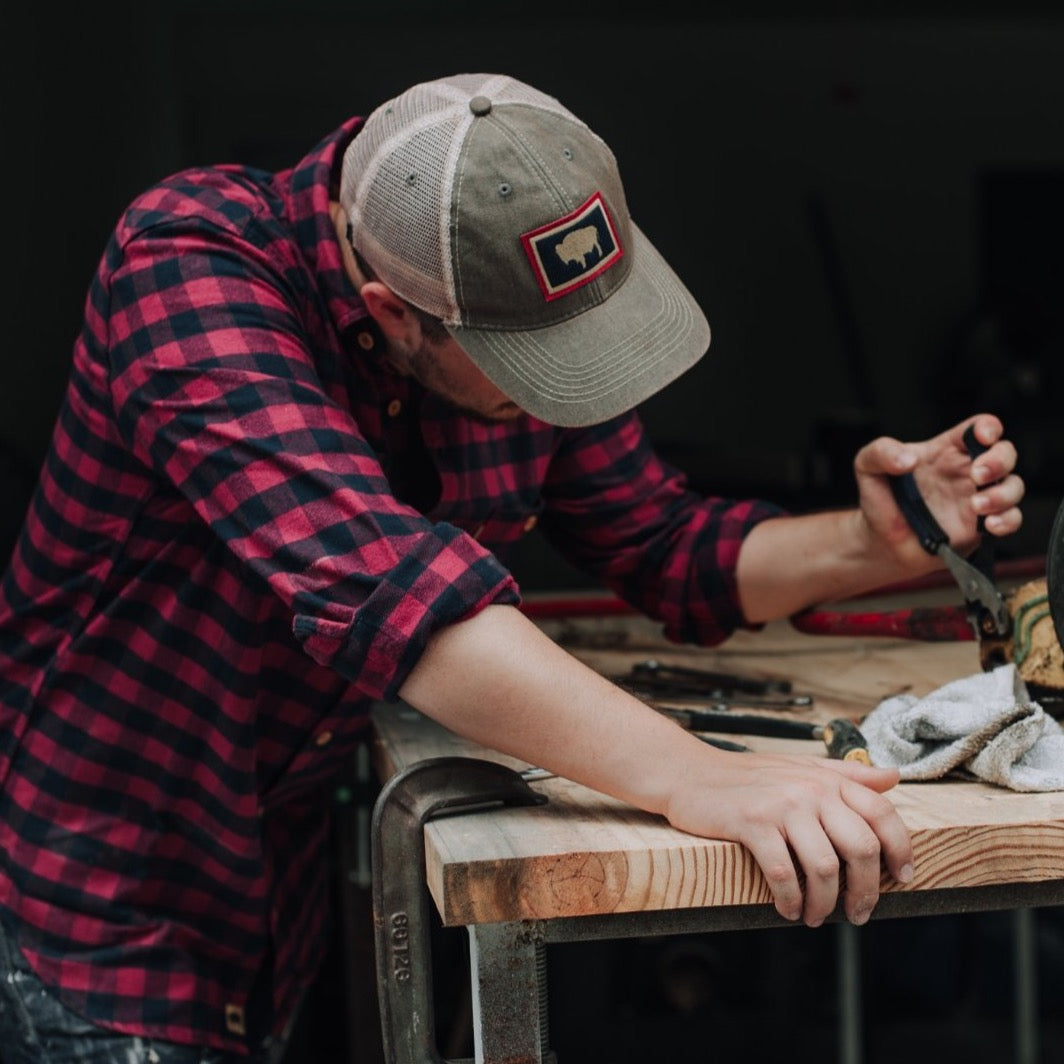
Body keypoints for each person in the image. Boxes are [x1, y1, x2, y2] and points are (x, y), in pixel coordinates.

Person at [0, 72, 1023, 1062]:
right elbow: (397, 599)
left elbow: (666, 548)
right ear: (392, 311)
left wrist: (865, 536)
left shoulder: (513, 326)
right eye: (529, 362)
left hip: (274, 884)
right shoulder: (188, 269)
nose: (564, 390)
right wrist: (705, 779)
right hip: (99, 894)